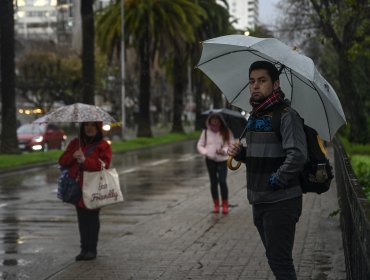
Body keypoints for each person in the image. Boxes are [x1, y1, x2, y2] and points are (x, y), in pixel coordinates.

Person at [227, 61, 307, 279]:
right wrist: (241, 153)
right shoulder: (255, 116)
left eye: (262, 81)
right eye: (252, 81)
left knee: (280, 261)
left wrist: (275, 180)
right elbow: (258, 156)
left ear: (275, 83)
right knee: (275, 259)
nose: (255, 86)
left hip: (281, 201)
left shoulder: (286, 115)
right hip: (259, 200)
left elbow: (297, 155)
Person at [58, 122, 112, 261]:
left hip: (94, 187)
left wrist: (85, 160)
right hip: (77, 187)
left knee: (92, 218)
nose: (89, 128)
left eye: (92, 125)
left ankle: (92, 249)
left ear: (98, 128)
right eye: (86, 125)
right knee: (82, 219)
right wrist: (73, 156)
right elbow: (62, 161)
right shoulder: (76, 143)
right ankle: (84, 249)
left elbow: (104, 165)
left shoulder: (103, 145)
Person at [197, 112, 234, 214]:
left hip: (223, 160)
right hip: (210, 160)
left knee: (222, 181)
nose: (214, 121)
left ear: (220, 120)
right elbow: (200, 145)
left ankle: (225, 205)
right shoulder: (205, 132)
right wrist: (206, 152)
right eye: (212, 119)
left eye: (216, 119)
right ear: (209, 120)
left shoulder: (226, 131)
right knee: (213, 182)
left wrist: (225, 150)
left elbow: (232, 145)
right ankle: (216, 205)